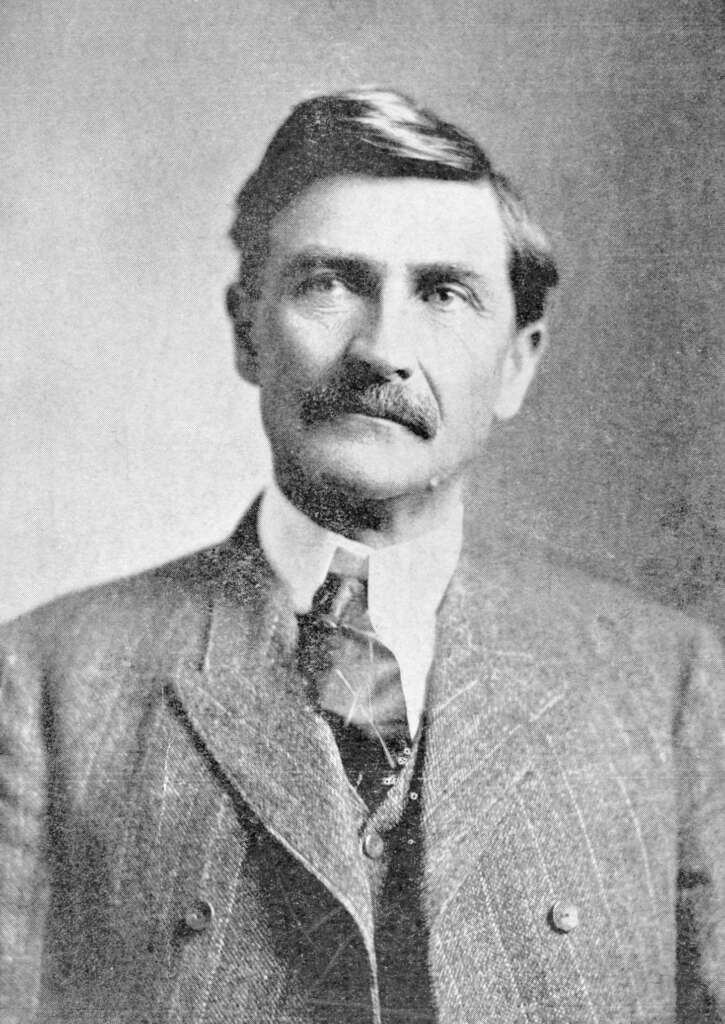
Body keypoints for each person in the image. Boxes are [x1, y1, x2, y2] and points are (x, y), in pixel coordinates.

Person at [1, 89, 723, 1024]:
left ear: (518, 362)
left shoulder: (669, 686)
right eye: (328, 283)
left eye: (442, 293)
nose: (382, 349)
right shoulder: (43, 687)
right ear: (245, 330)